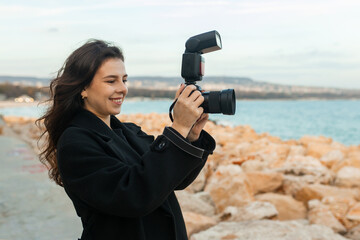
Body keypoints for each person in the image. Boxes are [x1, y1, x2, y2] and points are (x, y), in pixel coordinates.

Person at [37, 39, 216, 240]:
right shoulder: (75, 142)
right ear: (83, 88)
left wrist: (190, 136)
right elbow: (135, 196)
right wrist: (178, 127)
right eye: (111, 81)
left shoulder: (128, 131)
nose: (122, 88)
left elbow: (174, 180)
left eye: (124, 79)